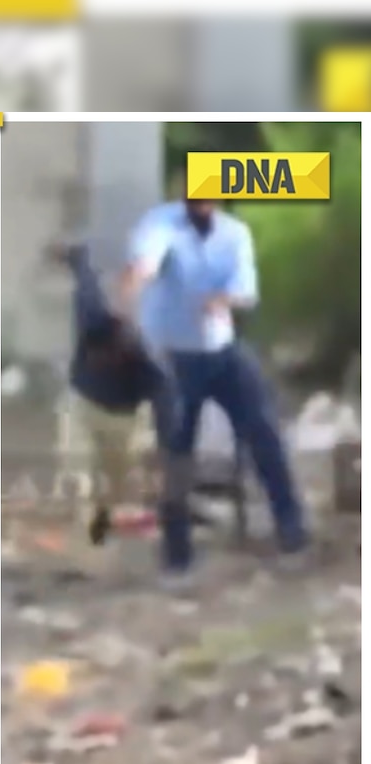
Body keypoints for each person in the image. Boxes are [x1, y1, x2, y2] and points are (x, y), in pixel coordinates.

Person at [118, 195, 309, 588]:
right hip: (172, 359)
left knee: (264, 431)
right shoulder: (162, 223)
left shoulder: (234, 234)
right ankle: (177, 557)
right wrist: (133, 286)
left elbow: (246, 291)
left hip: (221, 352)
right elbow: (146, 263)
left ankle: (292, 531)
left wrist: (222, 300)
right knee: (176, 453)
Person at [56, 242, 178, 546]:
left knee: (116, 481)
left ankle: (103, 516)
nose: (104, 361)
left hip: (124, 420)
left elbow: (165, 405)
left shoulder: (146, 366)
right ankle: (88, 522)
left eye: (111, 357)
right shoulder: (91, 319)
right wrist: (77, 259)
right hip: (82, 406)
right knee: (78, 465)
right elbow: (87, 284)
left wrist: (168, 452)